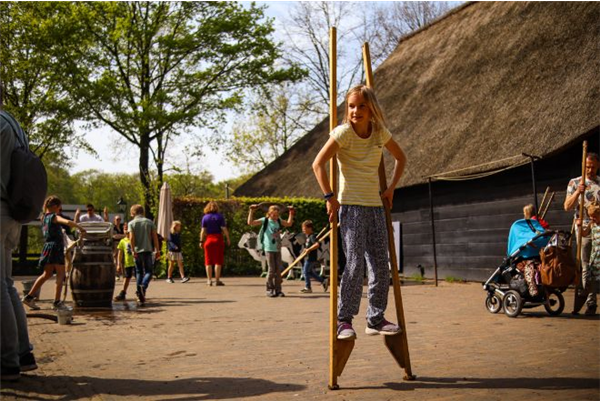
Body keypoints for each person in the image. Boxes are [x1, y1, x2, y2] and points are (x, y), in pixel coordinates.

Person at [312, 84, 407, 340]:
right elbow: (318, 164)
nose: (356, 111)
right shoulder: (342, 133)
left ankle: (375, 318)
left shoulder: (379, 133)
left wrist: (391, 189)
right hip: (351, 208)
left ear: (371, 108)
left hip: (376, 207)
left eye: (362, 106)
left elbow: (401, 158)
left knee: (380, 265)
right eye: (351, 106)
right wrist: (330, 197)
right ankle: (344, 320)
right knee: (354, 264)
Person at [1, 110, 37, 380]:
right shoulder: (14, 124)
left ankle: (8, 360)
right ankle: (23, 353)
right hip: (12, 212)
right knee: (6, 284)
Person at [22, 196, 86, 311]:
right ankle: (57, 302)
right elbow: (67, 222)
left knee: (46, 274)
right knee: (61, 275)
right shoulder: (54, 217)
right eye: (59, 207)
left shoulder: (44, 217)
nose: (59, 210)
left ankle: (29, 297)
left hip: (48, 247)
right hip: (56, 247)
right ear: (56, 207)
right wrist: (80, 227)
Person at [564, 152, 600, 315]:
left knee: (596, 266)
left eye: (592, 167)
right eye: (587, 167)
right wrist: (578, 192)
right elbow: (567, 206)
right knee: (586, 265)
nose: (590, 170)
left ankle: (590, 299)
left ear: (598, 166)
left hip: (598, 228)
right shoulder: (575, 182)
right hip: (583, 229)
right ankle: (589, 300)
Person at [248, 204, 295, 297]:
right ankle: (269, 289)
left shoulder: (278, 220)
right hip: (269, 248)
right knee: (271, 270)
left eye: (277, 215)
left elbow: (289, 223)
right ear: (269, 214)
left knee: (278, 270)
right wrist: (251, 211)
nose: (275, 217)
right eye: (273, 215)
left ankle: (278, 290)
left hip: (277, 248)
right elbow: (250, 222)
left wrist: (291, 213)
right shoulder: (265, 220)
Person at [128, 204, 160, 306]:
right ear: (143, 212)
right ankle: (144, 286)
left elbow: (131, 238)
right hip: (148, 250)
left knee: (138, 272)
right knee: (149, 271)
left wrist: (133, 250)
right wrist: (157, 250)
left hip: (137, 251)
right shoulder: (149, 222)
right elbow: (155, 237)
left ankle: (139, 294)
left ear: (133, 213)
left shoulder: (131, 223)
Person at [200, 201, 231, 286]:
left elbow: (203, 231)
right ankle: (217, 280)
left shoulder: (205, 217)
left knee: (208, 261)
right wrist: (228, 238)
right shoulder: (220, 217)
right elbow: (224, 229)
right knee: (218, 261)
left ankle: (209, 280)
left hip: (209, 240)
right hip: (218, 239)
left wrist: (201, 241)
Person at [577, 202, 600, 316]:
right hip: (594, 257)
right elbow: (584, 234)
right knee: (591, 282)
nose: (592, 219)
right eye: (591, 217)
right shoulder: (592, 224)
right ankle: (591, 304)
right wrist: (580, 226)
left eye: (594, 217)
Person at [300, 220, 329, 294]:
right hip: (308, 257)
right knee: (310, 272)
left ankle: (308, 287)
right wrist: (305, 249)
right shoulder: (308, 236)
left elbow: (317, 245)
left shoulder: (312, 236)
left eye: (304, 228)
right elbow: (308, 246)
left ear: (309, 228)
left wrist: (309, 249)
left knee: (305, 272)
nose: (303, 230)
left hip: (311, 258)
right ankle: (323, 281)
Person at [113, 223, 135, 301]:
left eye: (127, 228)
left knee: (138, 277)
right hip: (128, 262)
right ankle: (123, 293)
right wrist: (118, 264)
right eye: (124, 229)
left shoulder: (134, 238)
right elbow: (120, 254)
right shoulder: (122, 241)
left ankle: (140, 292)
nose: (126, 230)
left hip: (136, 261)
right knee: (126, 277)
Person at [112, 215, 125, 279]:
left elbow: (126, 235)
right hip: (116, 244)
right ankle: (116, 274)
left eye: (119, 219)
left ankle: (124, 274)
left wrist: (120, 236)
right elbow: (114, 236)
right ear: (114, 220)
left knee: (123, 259)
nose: (118, 221)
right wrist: (122, 235)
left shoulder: (122, 227)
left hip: (123, 243)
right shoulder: (113, 228)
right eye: (117, 219)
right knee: (116, 259)